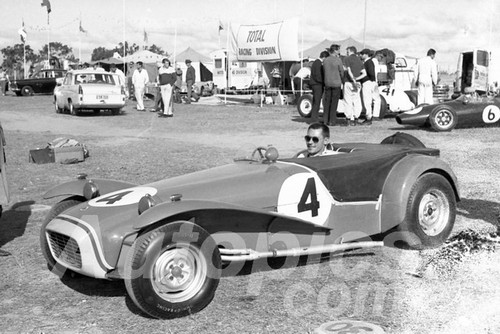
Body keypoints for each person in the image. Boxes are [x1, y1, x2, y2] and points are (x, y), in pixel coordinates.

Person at [357, 49, 381, 125]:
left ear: (366, 54)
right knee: (376, 99)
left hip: (368, 82)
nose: (361, 55)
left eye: (362, 54)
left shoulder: (367, 62)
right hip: (373, 82)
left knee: (367, 100)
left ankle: (368, 117)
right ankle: (376, 115)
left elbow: (370, 73)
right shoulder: (371, 62)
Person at [322, 44, 344, 126]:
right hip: (336, 83)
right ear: (335, 50)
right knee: (334, 103)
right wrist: (342, 80)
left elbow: (324, 71)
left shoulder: (325, 60)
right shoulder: (338, 60)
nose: (339, 51)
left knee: (327, 102)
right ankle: (332, 120)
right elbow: (341, 72)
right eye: (338, 50)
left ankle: (325, 120)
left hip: (327, 83)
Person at [343, 46, 363, 126]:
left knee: (348, 100)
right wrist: (357, 79)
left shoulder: (347, 59)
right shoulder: (360, 60)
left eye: (347, 51)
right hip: (358, 82)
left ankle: (348, 119)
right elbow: (364, 73)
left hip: (349, 82)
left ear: (350, 51)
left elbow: (349, 71)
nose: (346, 52)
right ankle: (356, 118)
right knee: (357, 100)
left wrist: (353, 80)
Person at [309, 51, 329, 122]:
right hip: (317, 84)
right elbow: (318, 75)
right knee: (317, 101)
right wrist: (323, 82)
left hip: (315, 84)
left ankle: (314, 117)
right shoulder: (318, 63)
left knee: (316, 101)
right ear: (324, 57)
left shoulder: (316, 62)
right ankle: (314, 118)